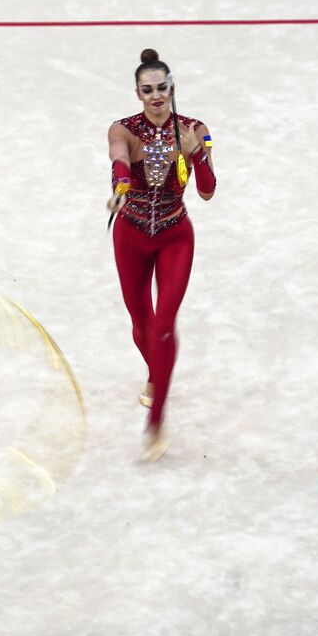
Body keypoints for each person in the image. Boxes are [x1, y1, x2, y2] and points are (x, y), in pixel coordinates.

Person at [106, 49, 216, 460]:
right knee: (142, 326)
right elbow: (119, 158)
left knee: (164, 326)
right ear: (137, 93)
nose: (156, 96)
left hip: (174, 236)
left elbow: (207, 190)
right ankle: (157, 373)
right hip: (131, 236)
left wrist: (197, 153)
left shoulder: (194, 129)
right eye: (147, 89)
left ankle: (155, 422)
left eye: (162, 88)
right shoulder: (123, 129)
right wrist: (120, 188)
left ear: (172, 88)